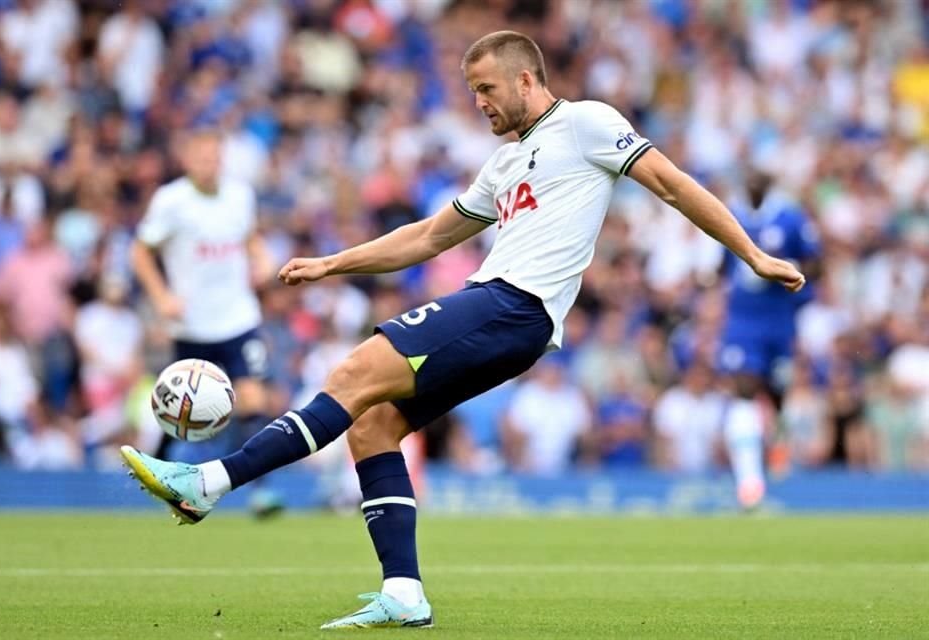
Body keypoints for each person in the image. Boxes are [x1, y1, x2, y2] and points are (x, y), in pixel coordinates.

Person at [121, 31, 805, 629]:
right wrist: (335, 263)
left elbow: (675, 184)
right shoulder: (506, 162)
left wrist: (752, 254)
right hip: (507, 315)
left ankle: (208, 481)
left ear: (527, 79)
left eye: (486, 88)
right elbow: (428, 237)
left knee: (355, 373)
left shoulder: (588, 123)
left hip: (515, 304)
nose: (479, 102)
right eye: (472, 89)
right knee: (373, 424)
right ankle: (404, 593)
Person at [130, 129, 278, 513]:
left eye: (214, 157)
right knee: (178, 411)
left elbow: (249, 238)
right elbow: (141, 252)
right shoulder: (171, 201)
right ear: (187, 160)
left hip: (238, 318)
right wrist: (162, 297)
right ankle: (156, 472)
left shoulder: (239, 196)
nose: (208, 165)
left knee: (252, 398)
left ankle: (261, 491)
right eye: (201, 158)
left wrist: (260, 259)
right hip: (193, 324)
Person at [718, 170, 820, 508]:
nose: (752, 188)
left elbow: (815, 263)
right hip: (743, 321)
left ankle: (778, 445)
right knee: (744, 387)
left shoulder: (789, 218)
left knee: (778, 393)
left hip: (779, 320)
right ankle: (750, 484)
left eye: (758, 183)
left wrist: (789, 268)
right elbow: (722, 268)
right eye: (748, 183)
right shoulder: (731, 215)